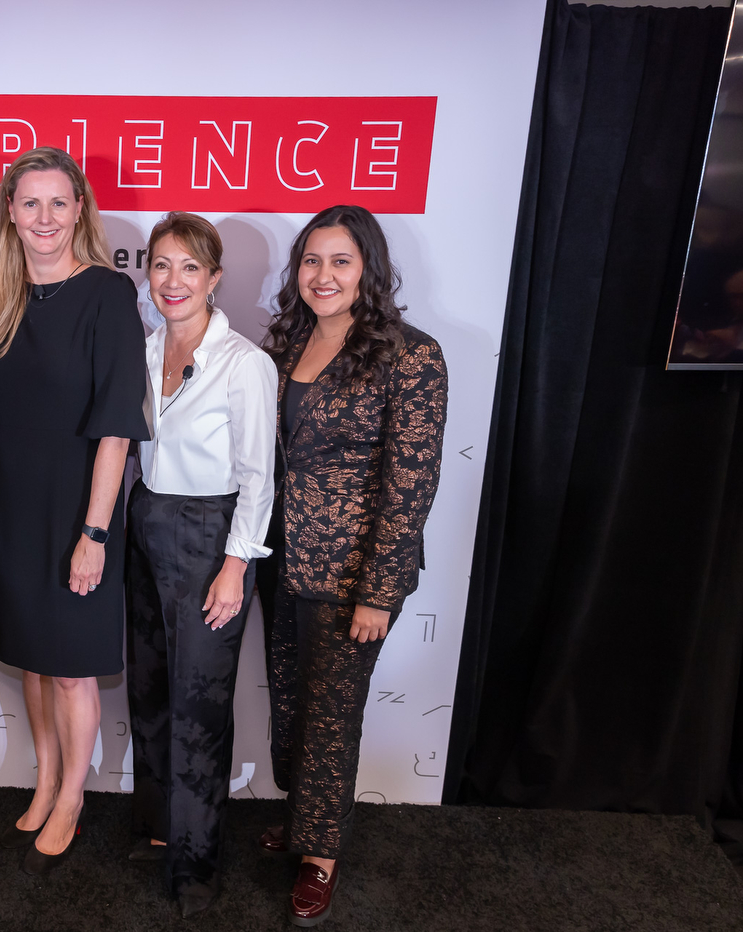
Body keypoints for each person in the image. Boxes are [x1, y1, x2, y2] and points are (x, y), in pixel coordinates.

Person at [255, 205, 448, 926]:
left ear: (368, 266)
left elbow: (411, 483)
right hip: (280, 559)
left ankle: (321, 855)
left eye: (339, 261)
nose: (322, 275)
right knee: (290, 703)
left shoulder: (410, 354)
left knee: (331, 715)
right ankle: (306, 820)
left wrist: (379, 592)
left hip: (351, 577)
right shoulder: (286, 345)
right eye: (311, 260)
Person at [0, 146, 149, 874]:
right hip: (11, 509)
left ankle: (74, 795)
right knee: (34, 662)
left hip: (78, 511)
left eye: (58, 202)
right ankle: (45, 778)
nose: (44, 218)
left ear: (81, 209)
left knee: (72, 669)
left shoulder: (108, 294)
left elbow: (116, 427)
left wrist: (95, 534)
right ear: (10, 212)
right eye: (30, 203)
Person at [124, 212, 278, 917]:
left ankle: (197, 863)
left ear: (214, 279)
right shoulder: (144, 348)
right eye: (161, 265)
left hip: (212, 534)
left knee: (198, 708)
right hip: (146, 520)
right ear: (147, 274)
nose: (173, 280)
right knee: (151, 690)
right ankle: (160, 830)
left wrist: (235, 564)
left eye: (190, 267)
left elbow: (259, 478)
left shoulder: (245, 363)